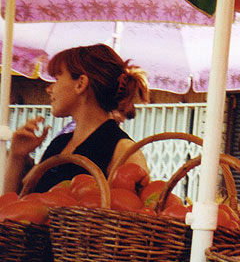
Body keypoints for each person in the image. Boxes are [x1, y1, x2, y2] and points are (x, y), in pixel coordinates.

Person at [3, 44, 150, 194]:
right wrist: (17, 155)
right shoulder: (59, 144)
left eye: (57, 78)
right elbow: (17, 203)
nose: (49, 89)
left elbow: (133, 206)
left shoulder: (123, 151)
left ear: (80, 84)